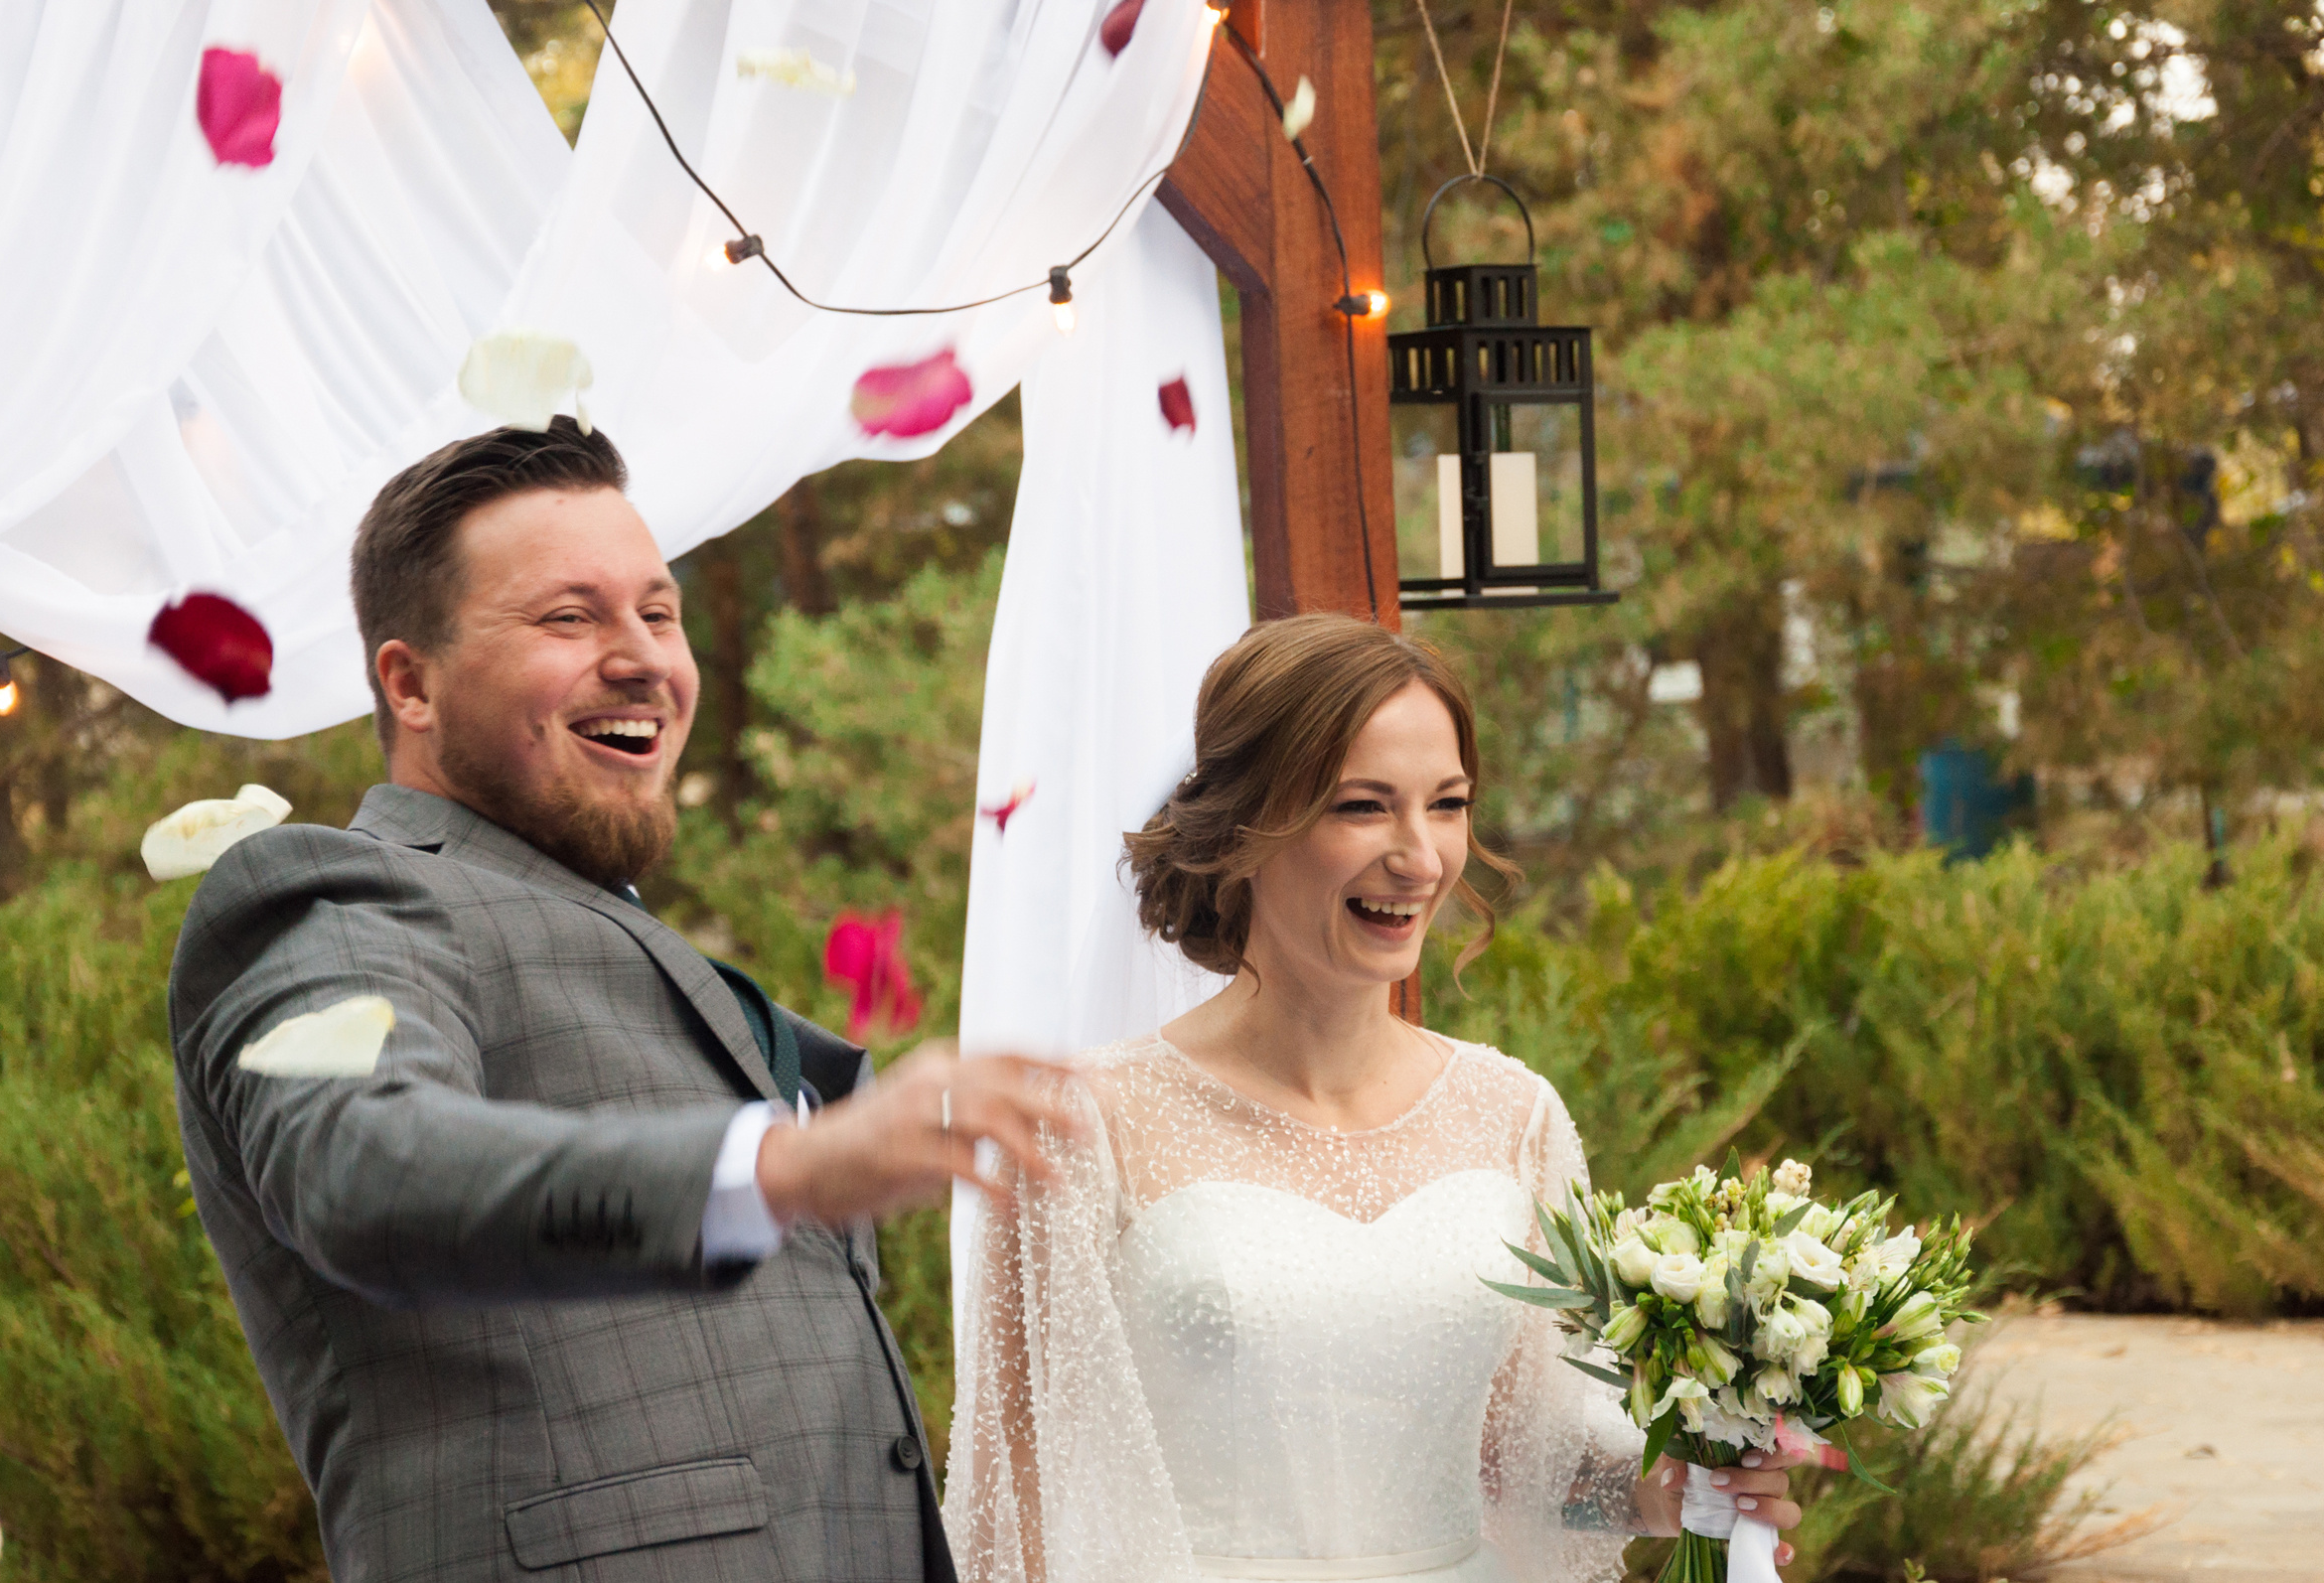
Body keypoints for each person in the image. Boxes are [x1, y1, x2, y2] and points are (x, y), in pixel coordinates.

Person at [168, 417, 1076, 1583]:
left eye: (659, 611)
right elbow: (366, 1161)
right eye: (569, 616)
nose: (644, 655)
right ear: (413, 682)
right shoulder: (334, 895)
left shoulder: (624, 934)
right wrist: (782, 1167)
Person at [944, 614, 1807, 1583]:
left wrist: (1677, 1485)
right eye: (1362, 806)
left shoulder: (1514, 1117)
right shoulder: (1080, 1123)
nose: (1422, 856)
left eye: (1447, 804)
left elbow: (1526, 1460)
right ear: (1245, 823)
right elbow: (1013, 1497)